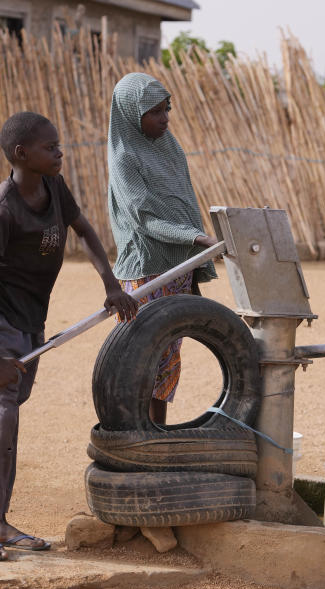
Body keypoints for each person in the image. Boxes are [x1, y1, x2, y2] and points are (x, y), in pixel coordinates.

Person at [0, 111, 138, 560]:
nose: (60, 152)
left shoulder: (54, 187)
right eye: (50, 147)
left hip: (30, 325)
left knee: (10, 420)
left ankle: (0, 522)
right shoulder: (1, 209)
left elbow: (84, 230)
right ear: (22, 154)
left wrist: (110, 284)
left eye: (59, 145)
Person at [106, 72, 218, 425]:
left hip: (179, 270)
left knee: (168, 357)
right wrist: (198, 240)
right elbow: (144, 220)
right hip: (147, 273)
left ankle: (158, 433)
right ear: (129, 114)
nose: (164, 118)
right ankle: (134, 435)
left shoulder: (171, 148)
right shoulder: (124, 158)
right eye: (153, 111)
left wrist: (195, 266)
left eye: (166, 108)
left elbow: (186, 204)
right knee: (142, 357)